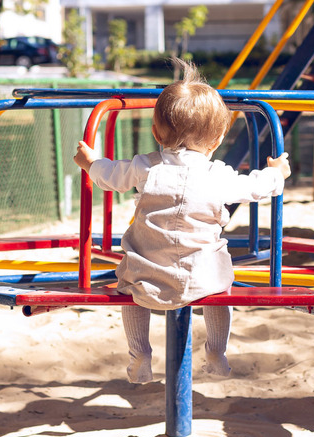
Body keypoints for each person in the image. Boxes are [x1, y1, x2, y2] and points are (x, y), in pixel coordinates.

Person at [73, 59, 291, 383]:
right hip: (204, 276)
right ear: (217, 140)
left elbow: (109, 176)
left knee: (127, 290)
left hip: (147, 272)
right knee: (222, 292)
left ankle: (140, 354)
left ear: (155, 132)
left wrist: (90, 162)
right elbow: (257, 187)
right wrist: (277, 172)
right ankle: (216, 350)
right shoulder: (219, 175)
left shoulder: (144, 167)